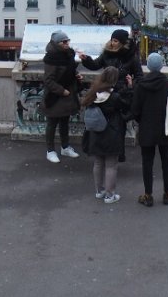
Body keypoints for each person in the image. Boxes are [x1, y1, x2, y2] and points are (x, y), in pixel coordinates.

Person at [131, 51, 168, 207]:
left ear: (147, 66)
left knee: (147, 163)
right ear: (162, 66)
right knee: (166, 161)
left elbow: (135, 110)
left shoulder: (140, 85)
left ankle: (148, 195)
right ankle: (167, 194)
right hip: (166, 128)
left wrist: (143, 120)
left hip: (147, 129)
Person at [80, 66, 131, 204]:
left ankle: (99, 190)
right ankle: (110, 195)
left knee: (98, 163)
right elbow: (126, 106)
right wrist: (129, 87)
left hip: (95, 133)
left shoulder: (92, 94)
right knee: (111, 165)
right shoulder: (114, 97)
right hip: (111, 132)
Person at [41, 31, 81, 163]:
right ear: (57, 43)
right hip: (56, 95)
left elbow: (69, 70)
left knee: (64, 122)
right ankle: (50, 150)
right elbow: (48, 80)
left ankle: (65, 147)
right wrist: (61, 91)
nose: (67, 44)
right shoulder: (52, 58)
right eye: (64, 42)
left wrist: (76, 75)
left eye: (68, 41)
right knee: (52, 124)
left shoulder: (68, 54)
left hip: (67, 94)